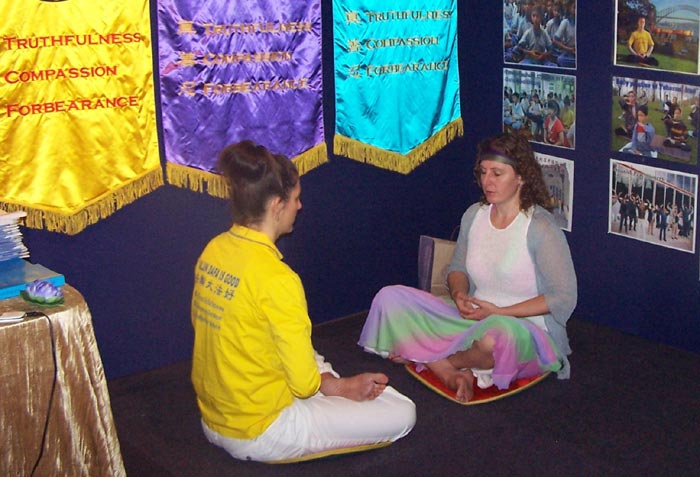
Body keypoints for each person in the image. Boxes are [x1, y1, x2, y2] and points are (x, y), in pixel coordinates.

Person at [191, 141, 415, 462]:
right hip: (261, 431)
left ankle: (334, 388)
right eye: (295, 198)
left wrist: (337, 385)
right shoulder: (278, 278)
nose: (299, 206)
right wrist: (330, 386)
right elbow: (304, 384)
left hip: (213, 419)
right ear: (276, 205)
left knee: (300, 353)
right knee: (403, 411)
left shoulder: (214, 250)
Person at [359, 132, 577, 402]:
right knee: (390, 297)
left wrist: (499, 312)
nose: (487, 181)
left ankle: (436, 362)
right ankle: (445, 365)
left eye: (497, 173)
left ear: (521, 177)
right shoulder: (474, 215)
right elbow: (457, 268)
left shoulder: (540, 227)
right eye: (483, 172)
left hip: (522, 329)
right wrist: (459, 294)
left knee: (495, 339)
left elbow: (563, 297)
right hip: (473, 318)